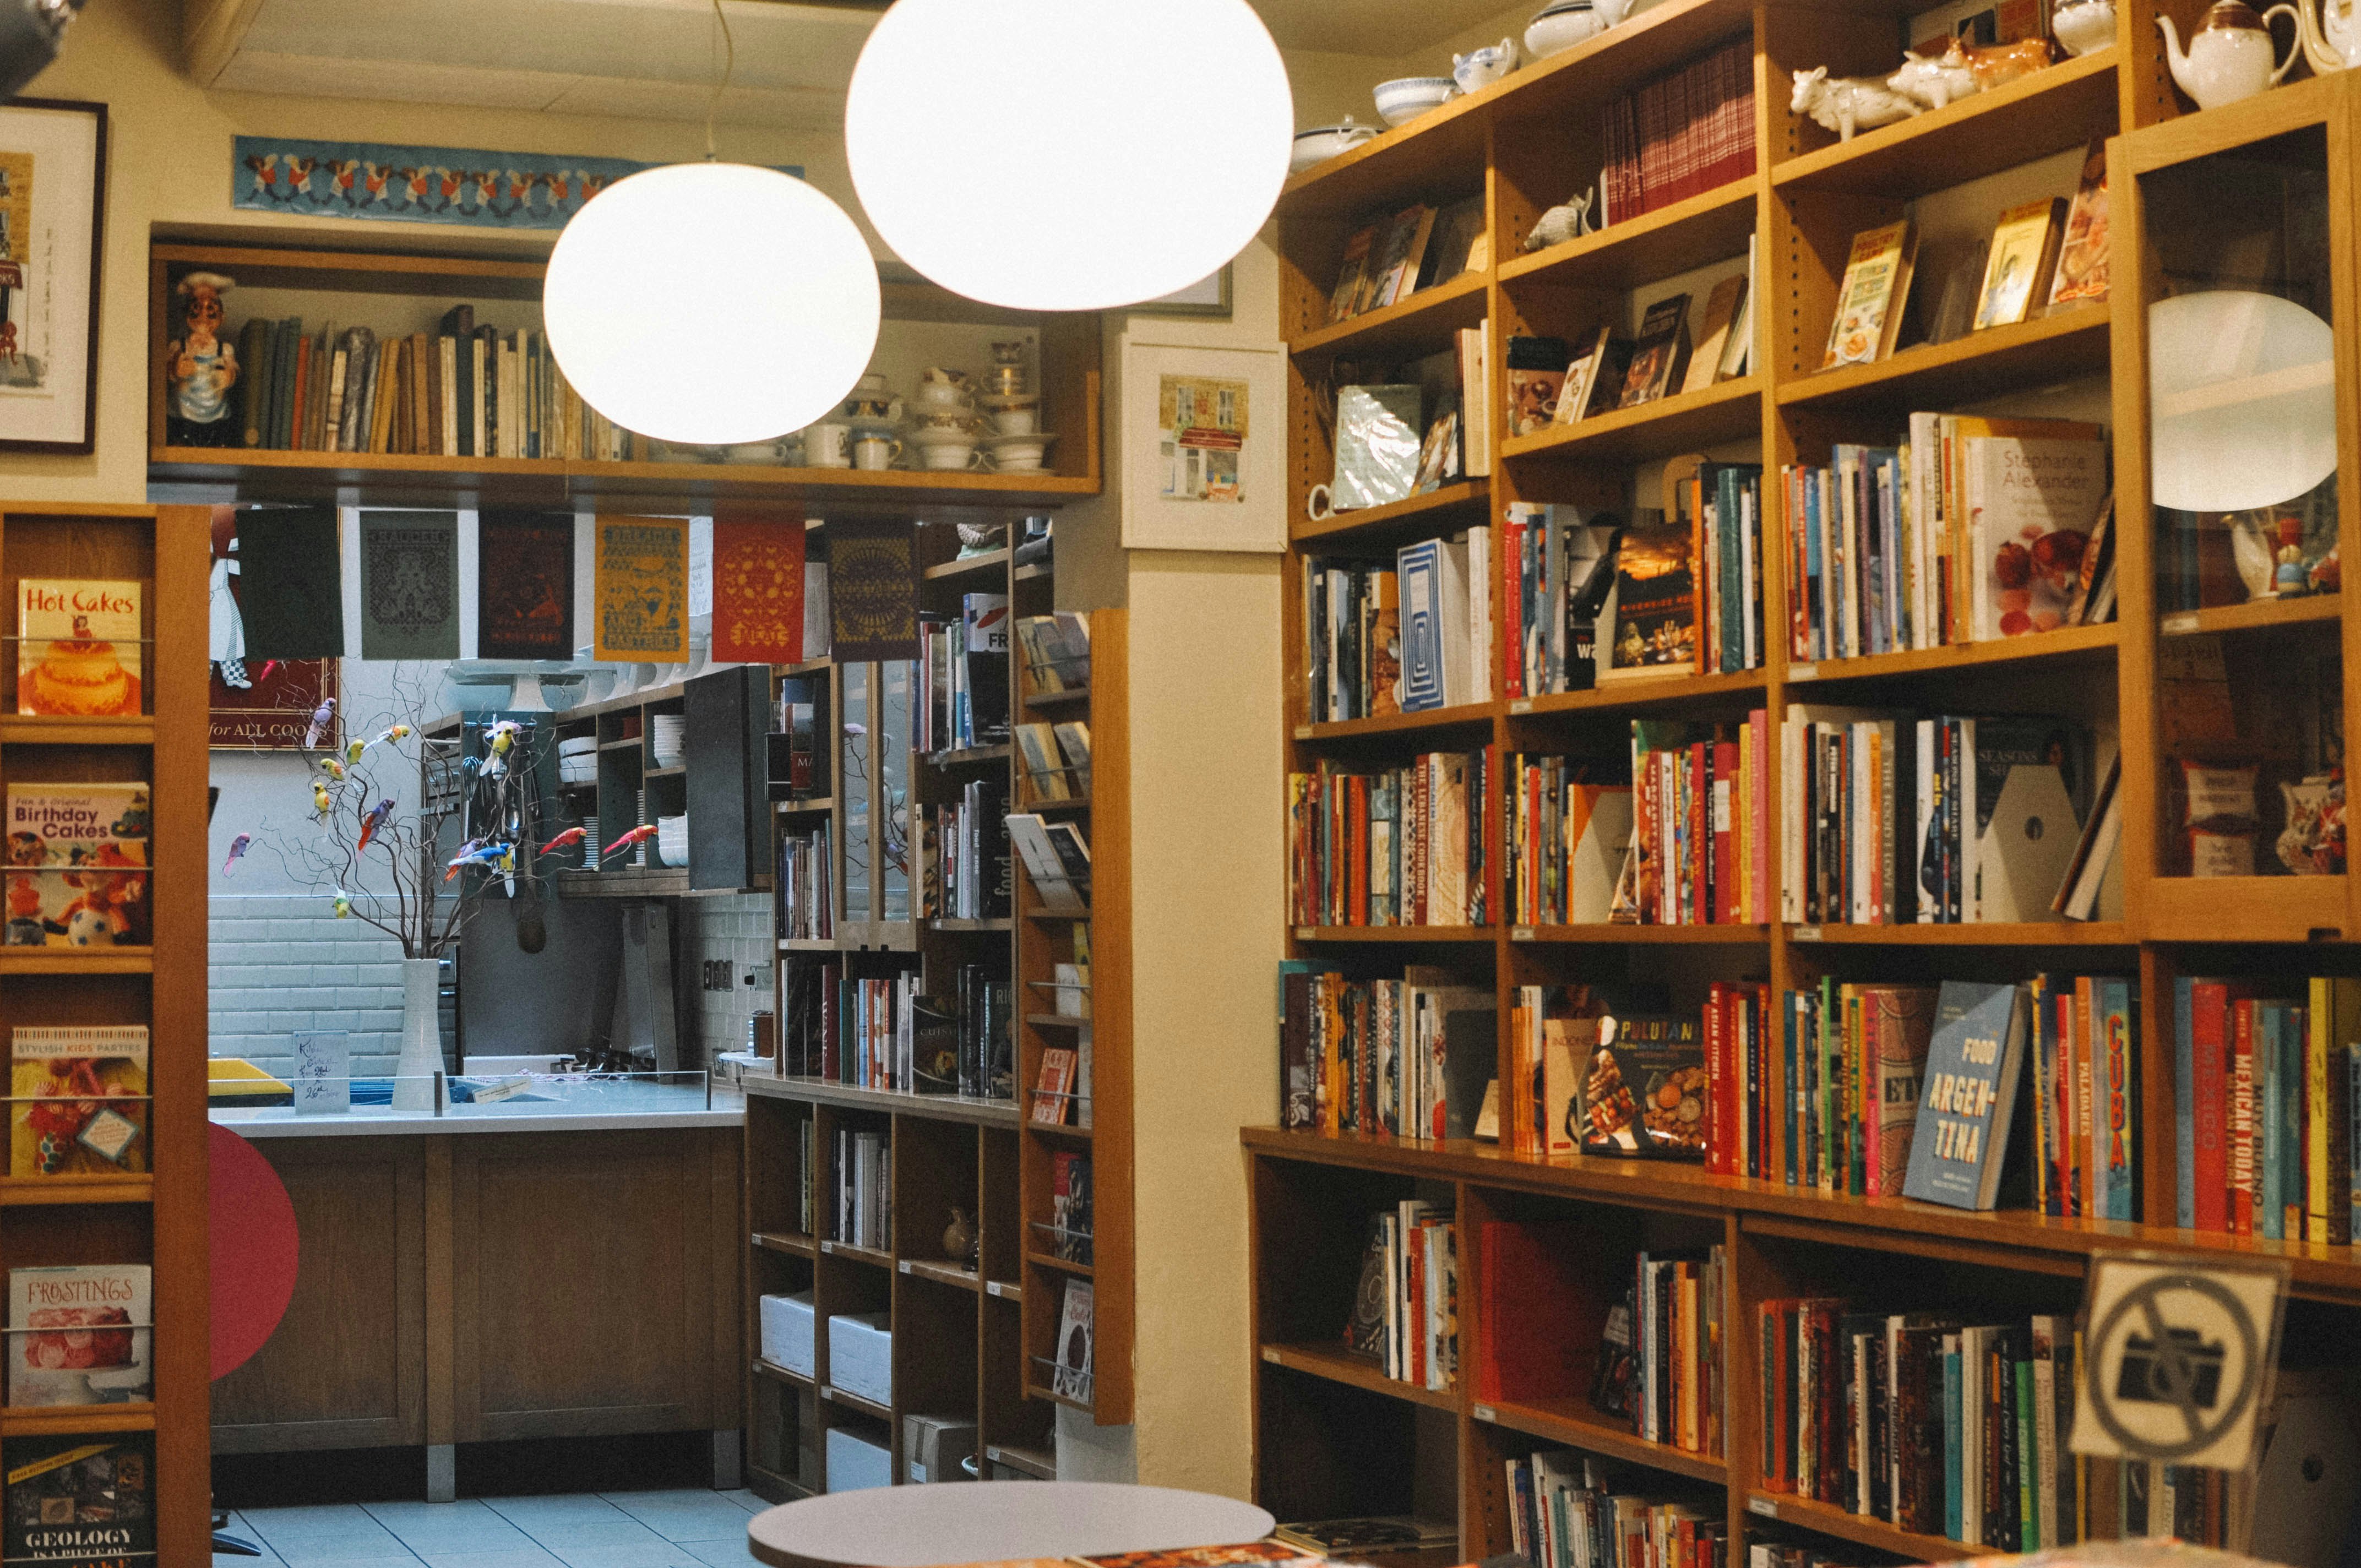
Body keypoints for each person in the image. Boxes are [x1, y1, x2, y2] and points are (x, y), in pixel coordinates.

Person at [166, 271, 240, 448]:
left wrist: (227, 377)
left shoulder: (224, 349)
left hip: (215, 408)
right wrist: (178, 369)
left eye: (211, 310)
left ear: (222, 317)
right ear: (187, 314)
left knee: (216, 437)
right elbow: (170, 374)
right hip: (185, 408)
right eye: (196, 310)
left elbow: (232, 374)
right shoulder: (180, 346)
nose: (203, 318)